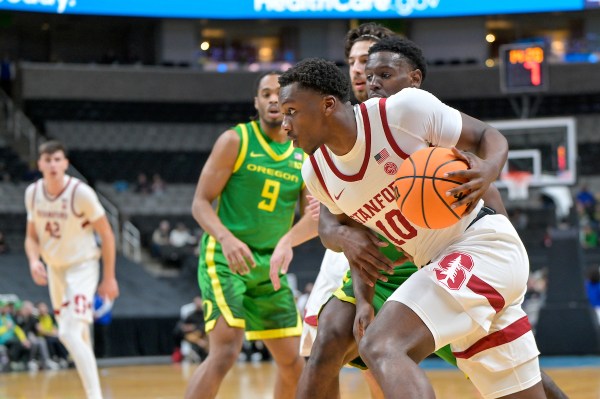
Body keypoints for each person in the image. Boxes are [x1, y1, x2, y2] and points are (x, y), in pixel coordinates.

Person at [279, 58, 546, 399]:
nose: (283, 124)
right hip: (438, 265)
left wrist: (489, 168)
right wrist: (363, 299)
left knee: (383, 345)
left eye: (291, 111)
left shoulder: (400, 113)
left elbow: (485, 135)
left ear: (327, 105)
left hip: (478, 245)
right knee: (525, 393)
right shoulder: (316, 174)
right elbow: (359, 244)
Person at [183, 71, 317, 399]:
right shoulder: (236, 141)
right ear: (256, 102)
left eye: (280, 93)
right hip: (226, 257)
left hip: (270, 264)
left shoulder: (305, 155)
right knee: (226, 351)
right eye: (266, 93)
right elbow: (200, 204)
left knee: (292, 361)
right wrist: (226, 239)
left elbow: (314, 219)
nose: (273, 98)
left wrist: (288, 241)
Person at [24, 140, 119, 399]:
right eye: (48, 159)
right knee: (79, 336)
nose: (53, 164)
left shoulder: (81, 193)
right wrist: (34, 261)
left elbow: (107, 234)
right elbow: (31, 237)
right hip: (55, 270)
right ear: (40, 164)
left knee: (67, 331)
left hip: (83, 266)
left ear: (65, 163)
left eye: (57, 159)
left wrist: (109, 277)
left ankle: (95, 395)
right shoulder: (32, 193)